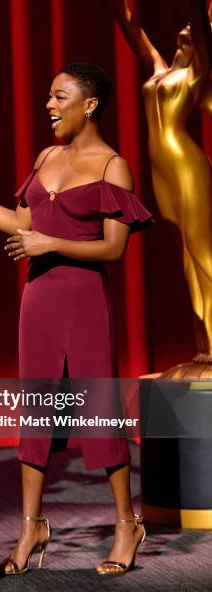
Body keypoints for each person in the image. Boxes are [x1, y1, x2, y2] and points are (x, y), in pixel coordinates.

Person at [0, 62, 152, 575]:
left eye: (59, 97)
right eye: (49, 97)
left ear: (89, 104)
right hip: (39, 299)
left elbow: (114, 250)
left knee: (97, 409)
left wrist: (50, 243)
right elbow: (19, 223)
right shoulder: (46, 156)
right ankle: (32, 525)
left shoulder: (112, 167)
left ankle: (126, 524)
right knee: (37, 410)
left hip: (84, 300)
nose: (49, 106)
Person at [110, 0, 212, 365]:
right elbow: (130, 27)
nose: (184, 30)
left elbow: (201, 28)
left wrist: (199, 7)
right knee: (185, 258)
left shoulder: (197, 75)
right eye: (182, 26)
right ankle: (205, 346)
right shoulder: (161, 71)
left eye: (193, 28)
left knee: (203, 255)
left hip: (187, 166)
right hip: (162, 170)